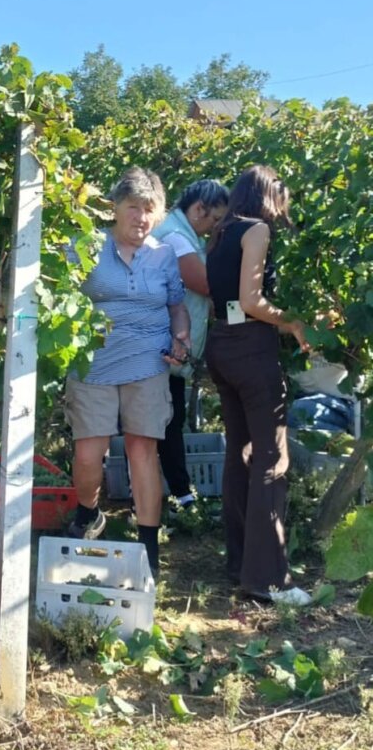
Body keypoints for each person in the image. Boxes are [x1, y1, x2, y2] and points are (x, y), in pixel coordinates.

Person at [64, 167, 189, 577]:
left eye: (150, 209)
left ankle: (148, 550)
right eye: (133, 207)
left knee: (143, 451)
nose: (141, 218)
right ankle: (89, 512)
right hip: (92, 361)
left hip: (149, 362)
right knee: (88, 453)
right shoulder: (85, 244)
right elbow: (59, 294)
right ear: (114, 208)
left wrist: (181, 339)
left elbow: (176, 305)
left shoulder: (164, 254)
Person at [204, 165, 312, 604]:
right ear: (269, 196)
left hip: (221, 346)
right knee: (270, 458)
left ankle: (240, 563)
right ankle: (268, 579)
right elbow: (251, 300)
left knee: (239, 454)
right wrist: (293, 323)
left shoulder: (220, 232)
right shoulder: (256, 231)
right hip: (251, 348)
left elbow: (226, 301)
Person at [152, 180, 229, 510]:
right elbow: (208, 284)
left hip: (171, 349)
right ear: (199, 209)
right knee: (167, 420)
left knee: (168, 418)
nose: (215, 228)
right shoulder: (176, 238)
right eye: (214, 220)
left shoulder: (183, 234)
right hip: (165, 348)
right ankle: (180, 494)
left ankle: (172, 490)